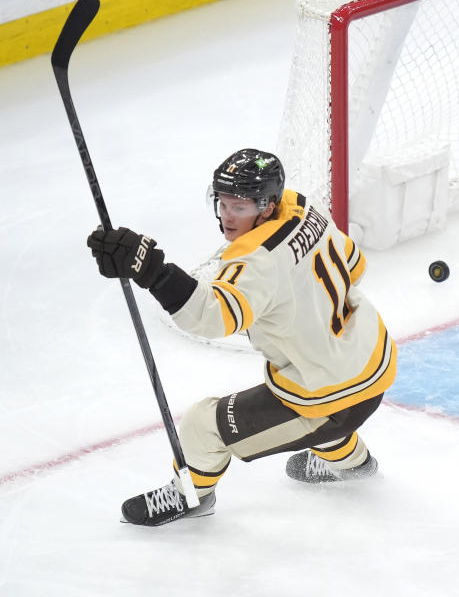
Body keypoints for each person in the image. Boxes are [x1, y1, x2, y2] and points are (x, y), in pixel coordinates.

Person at [86, 148, 396, 526]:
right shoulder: (302, 207)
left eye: (240, 209)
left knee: (203, 425)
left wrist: (151, 269)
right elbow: (352, 263)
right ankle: (355, 463)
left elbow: (211, 317)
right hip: (373, 360)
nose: (228, 217)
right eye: (223, 204)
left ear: (266, 207)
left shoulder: (256, 260)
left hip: (331, 394)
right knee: (308, 411)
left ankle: (192, 497)